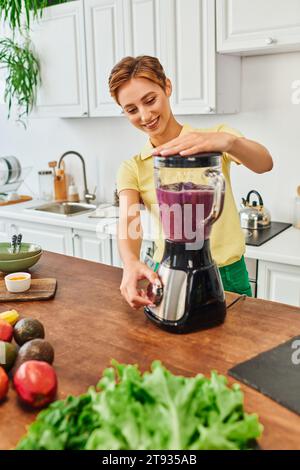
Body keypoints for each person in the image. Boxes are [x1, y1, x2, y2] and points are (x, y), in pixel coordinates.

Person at [109, 56, 273, 310]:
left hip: (228, 274)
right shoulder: (134, 166)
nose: (145, 115)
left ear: (167, 87)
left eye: (150, 100)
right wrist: (130, 261)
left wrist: (228, 142)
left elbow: (264, 164)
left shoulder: (215, 138)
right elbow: (129, 222)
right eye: (131, 110)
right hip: (170, 273)